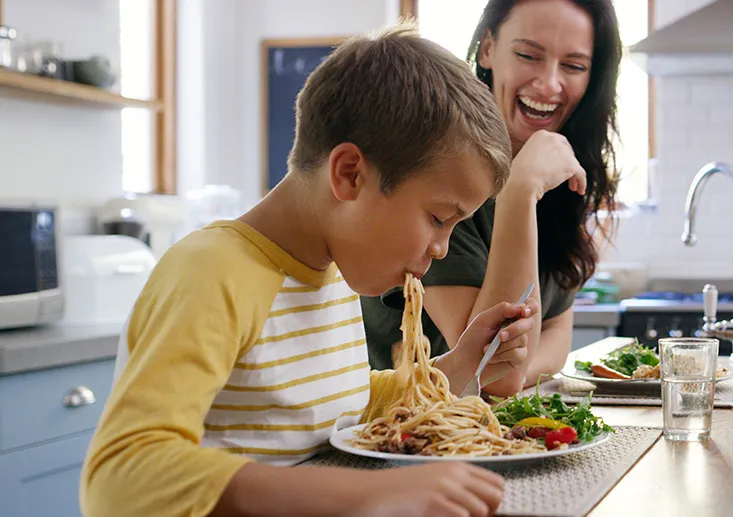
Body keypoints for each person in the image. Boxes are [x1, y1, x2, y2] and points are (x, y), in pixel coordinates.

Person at [80, 23, 538, 517]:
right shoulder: (212, 273)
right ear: (349, 174)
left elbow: (345, 404)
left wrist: (464, 359)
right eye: (438, 218)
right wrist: (368, 495)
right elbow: (122, 476)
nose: (443, 249)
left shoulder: (333, 273)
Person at [362, 0, 622, 396]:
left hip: (487, 434)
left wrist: (518, 370)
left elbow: (555, 331)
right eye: (528, 55)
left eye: (573, 66)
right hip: (399, 433)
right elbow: (496, 372)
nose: (550, 84)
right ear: (487, 49)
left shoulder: (559, 169)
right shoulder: (442, 164)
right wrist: (520, 189)